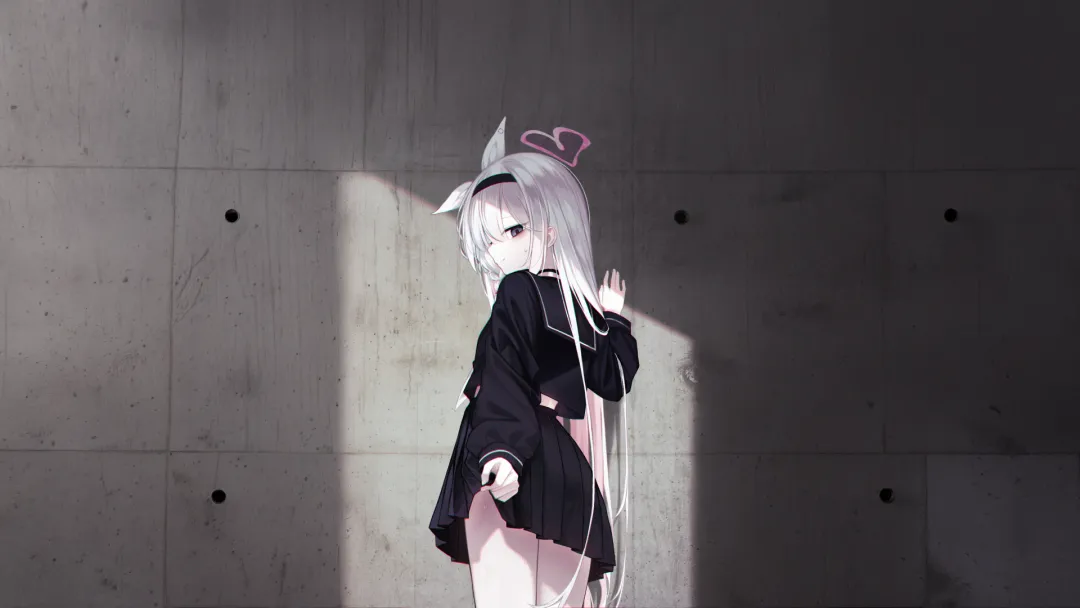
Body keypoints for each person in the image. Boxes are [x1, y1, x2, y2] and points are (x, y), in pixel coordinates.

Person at [427, 118, 640, 608]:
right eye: (487, 242)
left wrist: (500, 450)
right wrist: (612, 318)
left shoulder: (519, 289)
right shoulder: (578, 308)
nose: (498, 252)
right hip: (565, 472)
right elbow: (614, 377)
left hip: (511, 454)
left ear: (552, 227)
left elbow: (505, 373)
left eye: (513, 230)